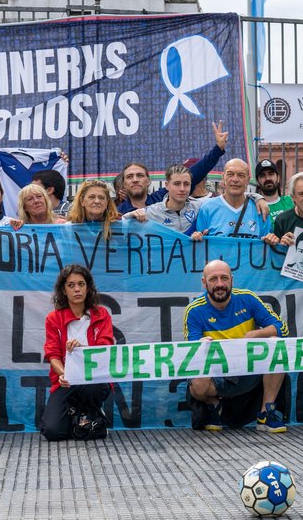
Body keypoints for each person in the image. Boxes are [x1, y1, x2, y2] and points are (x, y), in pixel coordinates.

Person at [184, 260, 289, 432]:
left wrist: (254, 334)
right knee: (197, 382)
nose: (220, 284)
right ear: (204, 283)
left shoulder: (248, 298)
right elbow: (190, 352)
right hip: (217, 374)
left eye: (224, 278)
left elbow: (282, 328)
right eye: (213, 279)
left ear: (232, 280)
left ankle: (265, 413)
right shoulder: (194, 310)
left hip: (248, 370)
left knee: (276, 344)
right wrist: (199, 345)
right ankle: (214, 405)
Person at [41, 264, 115, 441]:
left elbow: (105, 349)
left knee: (93, 387)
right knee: (52, 432)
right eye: (71, 285)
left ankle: (90, 413)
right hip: (66, 381)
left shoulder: (102, 314)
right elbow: (52, 354)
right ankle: (86, 419)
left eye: (81, 284)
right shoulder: (53, 318)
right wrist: (64, 374)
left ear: (88, 288)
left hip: (94, 379)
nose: (77, 289)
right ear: (63, 290)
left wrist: (83, 349)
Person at [118, 121, 228, 213]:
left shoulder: (162, 197)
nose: (135, 180)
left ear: (148, 181)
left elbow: (196, 171)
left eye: (140, 175)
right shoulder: (117, 213)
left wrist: (218, 149)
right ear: (123, 184)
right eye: (129, 177)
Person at [194, 159, 274, 241]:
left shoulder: (260, 210)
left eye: (241, 175)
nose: (235, 179)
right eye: (230, 174)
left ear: (248, 180)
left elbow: (266, 247)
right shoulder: (207, 208)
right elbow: (199, 247)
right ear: (223, 177)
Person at [123, 164, 200, 235]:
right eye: (177, 184)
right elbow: (118, 224)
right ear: (167, 186)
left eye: (186, 184)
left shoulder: (200, 208)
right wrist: (131, 215)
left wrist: (203, 236)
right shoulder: (152, 212)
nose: (182, 189)